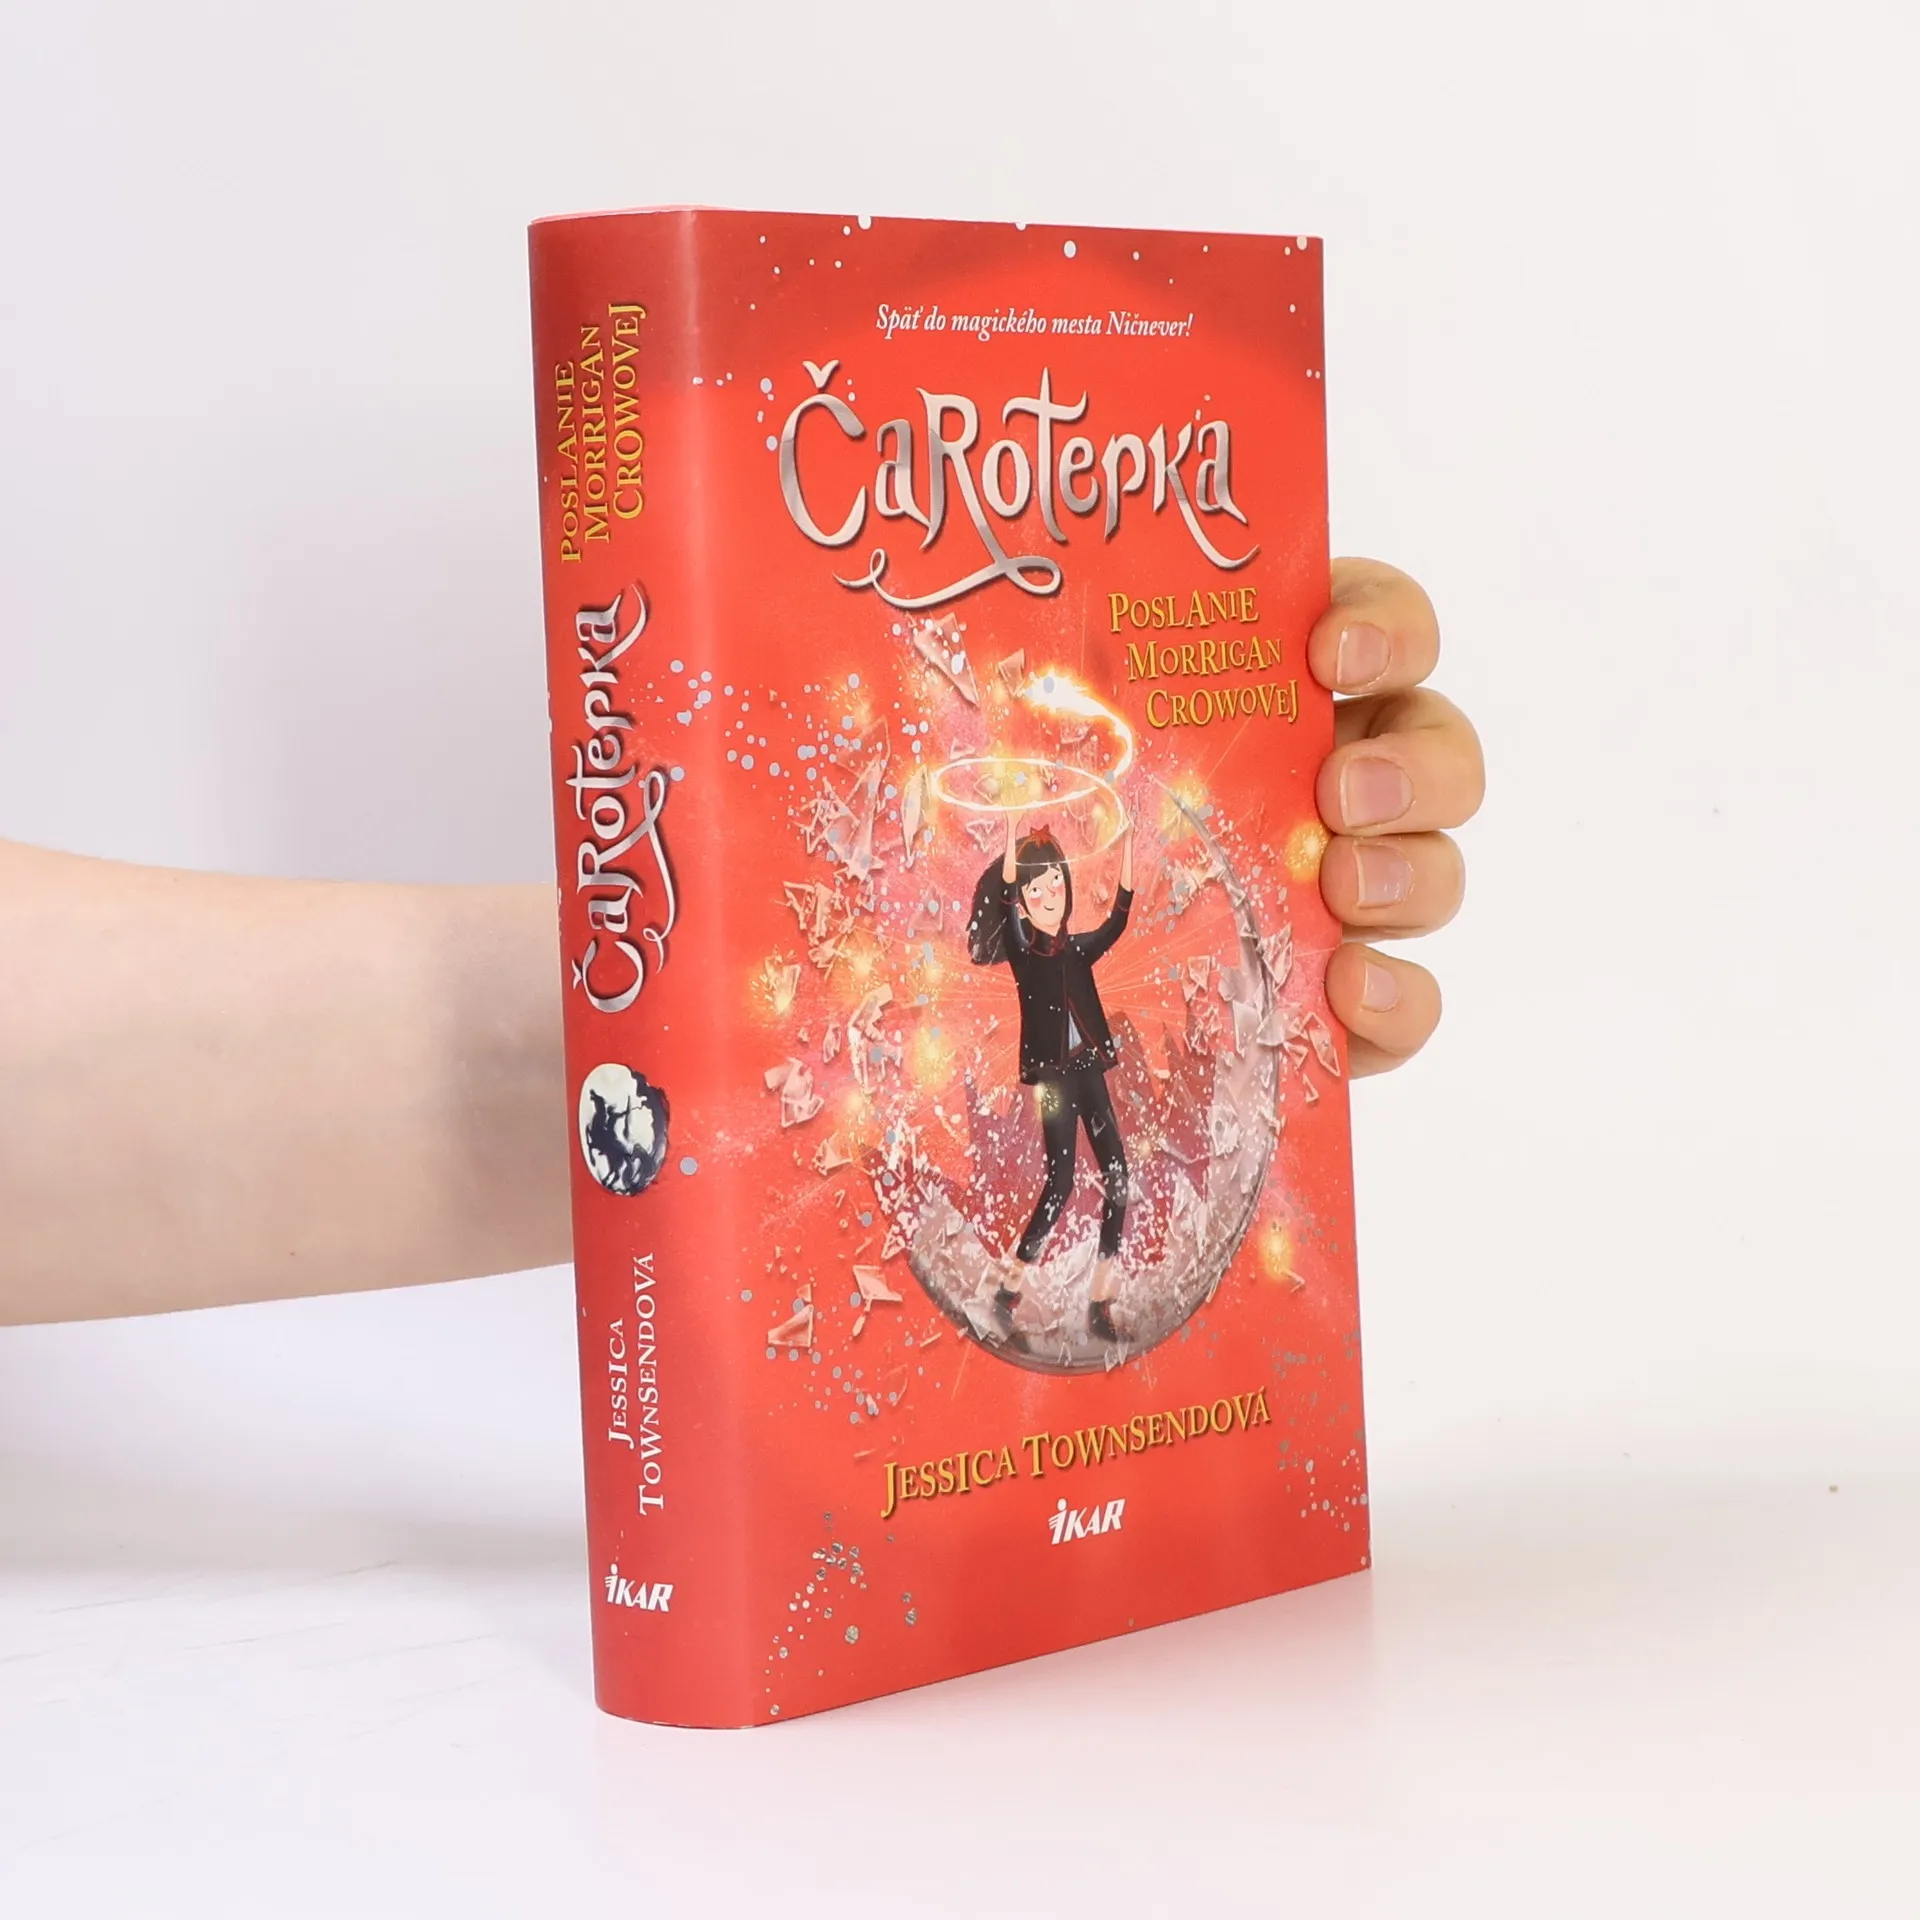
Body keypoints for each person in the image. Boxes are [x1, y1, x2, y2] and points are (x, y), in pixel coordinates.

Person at [0, 559, 1482, 1328]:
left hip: (1079, 1062)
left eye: (1050, 899)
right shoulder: (1020, 950)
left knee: (1114, 1166)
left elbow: (1106, 921)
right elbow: (1039, 937)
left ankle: (1079, 1257)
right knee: (1064, 1175)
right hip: (1055, 1067)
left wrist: (1199, 824)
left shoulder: (1069, 938)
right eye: (1035, 898)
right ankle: (1042, 1256)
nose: (1049, 911)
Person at [967, 812, 1136, 1342]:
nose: (1048, 895)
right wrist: (1010, 834)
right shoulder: (1023, 953)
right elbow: (1005, 898)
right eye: (1036, 888)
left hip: (1088, 1071)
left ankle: (1101, 1303)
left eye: (1055, 882)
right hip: (1054, 1083)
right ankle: (1007, 1292)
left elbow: (1119, 918)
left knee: (1119, 1178)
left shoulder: (1080, 949)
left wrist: (1128, 843)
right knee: (1060, 1185)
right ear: (1023, 899)